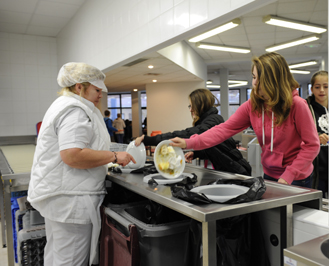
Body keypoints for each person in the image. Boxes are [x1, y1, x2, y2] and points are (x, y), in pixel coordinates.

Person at [28, 62, 136, 266]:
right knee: (70, 260)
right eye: (97, 89)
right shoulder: (75, 110)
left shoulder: (65, 105)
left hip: (61, 198)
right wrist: (113, 157)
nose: (101, 94)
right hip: (71, 201)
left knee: (57, 256)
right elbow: (72, 155)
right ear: (79, 86)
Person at [170, 52, 320, 187]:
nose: (254, 83)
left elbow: (312, 145)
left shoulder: (297, 105)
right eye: (253, 77)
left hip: (297, 177)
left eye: (258, 78)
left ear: (272, 80)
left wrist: (290, 174)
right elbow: (223, 129)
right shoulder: (252, 106)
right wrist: (189, 142)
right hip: (269, 174)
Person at [135, 88, 252, 176]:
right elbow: (218, 148)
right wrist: (197, 154)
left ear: (200, 105)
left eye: (192, 106)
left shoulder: (211, 121)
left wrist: (148, 139)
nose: (190, 110)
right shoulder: (211, 119)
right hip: (231, 169)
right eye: (189, 106)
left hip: (237, 172)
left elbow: (185, 134)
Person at [306, 70, 329, 197]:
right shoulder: (306, 108)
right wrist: (316, 138)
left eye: (326, 86)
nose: (322, 90)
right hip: (315, 169)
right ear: (312, 89)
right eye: (317, 87)